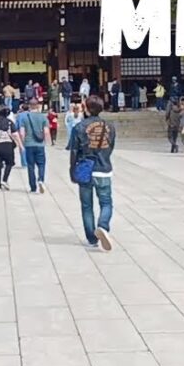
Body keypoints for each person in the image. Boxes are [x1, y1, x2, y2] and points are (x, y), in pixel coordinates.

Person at [69, 95, 116, 251]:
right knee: (106, 202)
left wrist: (72, 169)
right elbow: (111, 146)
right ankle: (102, 225)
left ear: (86, 109)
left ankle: (92, 238)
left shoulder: (79, 127)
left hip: (85, 169)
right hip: (103, 168)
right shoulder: (110, 126)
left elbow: (74, 151)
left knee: (87, 205)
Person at [19, 98, 51, 193]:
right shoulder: (43, 117)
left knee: (30, 166)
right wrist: (47, 142)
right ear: (38, 106)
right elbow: (46, 132)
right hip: (40, 144)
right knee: (41, 164)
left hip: (29, 144)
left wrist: (22, 142)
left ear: (29, 106)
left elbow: (22, 132)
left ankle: (33, 187)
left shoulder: (24, 117)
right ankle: (41, 179)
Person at [0, 105, 19, 190]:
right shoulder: (9, 122)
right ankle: (4, 180)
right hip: (7, 145)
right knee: (9, 163)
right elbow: (15, 134)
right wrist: (20, 144)